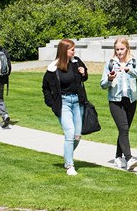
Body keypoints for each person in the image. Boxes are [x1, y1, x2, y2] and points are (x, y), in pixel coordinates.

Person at [42, 39, 88, 176]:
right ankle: (69, 165)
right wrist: (52, 103)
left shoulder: (76, 62)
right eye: (72, 49)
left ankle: (67, 154)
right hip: (64, 103)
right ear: (64, 51)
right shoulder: (53, 68)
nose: (74, 52)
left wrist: (83, 72)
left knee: (77, 135)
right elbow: (45, 88)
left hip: (77, 101)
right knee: (70, 132)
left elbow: (84, 78)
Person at [100, 37, 137, 171]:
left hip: (130, 100)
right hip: (115, 100)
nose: (119, 52)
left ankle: (118, 157)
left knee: (124, 130)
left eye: (122, 49)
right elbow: (102, 84)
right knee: (123, 128)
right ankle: (129, 159)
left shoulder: (134, 61)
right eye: (117, 49)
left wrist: (128, 69)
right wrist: (109, 79)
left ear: (127, 48)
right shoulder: (110, 63)